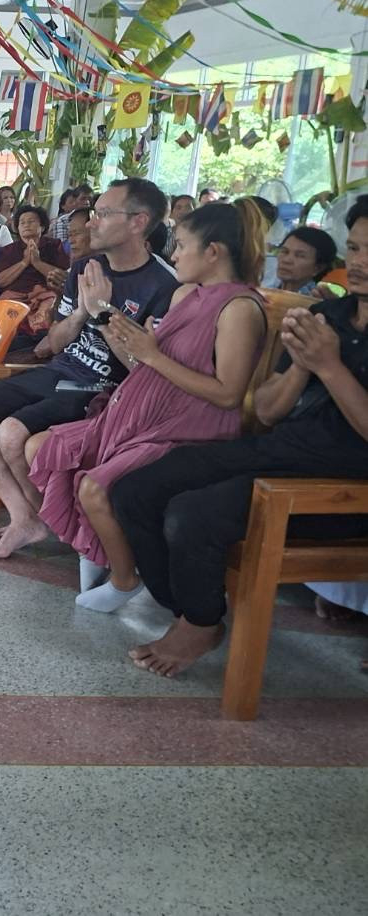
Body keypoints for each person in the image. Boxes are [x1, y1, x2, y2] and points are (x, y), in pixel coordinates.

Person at [108, 195, 368, 678]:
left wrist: (329, 367)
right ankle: (191, 612)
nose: (360, 262)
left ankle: (200, 621)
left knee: (193, 515)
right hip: (279, 450)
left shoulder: (249, 307)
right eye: (353, 249)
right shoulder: (329, 317)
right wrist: (302, 368)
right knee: (135, 489)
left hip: (339, 485)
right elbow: (267, 410)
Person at [27, 202, 268, 613]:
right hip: (144, 411)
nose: (173, 255)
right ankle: (96, 547)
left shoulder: (240, 309)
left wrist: (152, 355)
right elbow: (145, 360)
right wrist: (104, 316)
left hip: (188, 428)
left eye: (182, 245)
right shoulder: (187, 294)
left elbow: (228, 393)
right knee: (41, 448)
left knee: (95, 486)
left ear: (214, 252)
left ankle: (125, 579)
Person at [0, 178, 177, 561]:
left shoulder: (164, 286)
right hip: (61, 370)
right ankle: (27, 517)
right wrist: (85, 310)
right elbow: (54, 343)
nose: (90, 224)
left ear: (138, 222)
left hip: (105, 389)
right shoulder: (87, 266)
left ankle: (54, 522)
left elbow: (146, 371)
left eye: (103, 214)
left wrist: (103, 313)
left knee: (11, 432)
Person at [0, 205, 69, 352]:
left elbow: (64, 276)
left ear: (42, 226)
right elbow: (0, 281)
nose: (26, 225)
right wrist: (24, 263)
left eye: (31, 221)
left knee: (50, 306)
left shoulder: (54, 246)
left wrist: (37, 263)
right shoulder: (10, 250)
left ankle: (39, 345)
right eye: (22, 222)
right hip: (15, 295)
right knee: (7, 310)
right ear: (17, 228)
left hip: (46, 294)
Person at [268, 226, 338, 295]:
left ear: (317, 268)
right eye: (284, 251)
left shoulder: (312, 300)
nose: (286, 260)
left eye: (300, 256)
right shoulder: (267, 284)